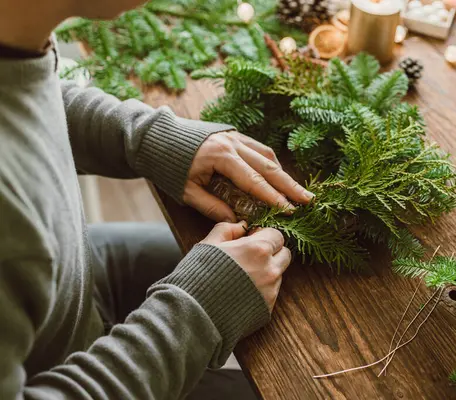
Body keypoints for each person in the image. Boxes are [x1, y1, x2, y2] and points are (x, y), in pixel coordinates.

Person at [0, 0, 314, 398]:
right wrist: (197, 314)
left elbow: (18, 88)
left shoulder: (16, 33)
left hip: (73, 284)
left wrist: (146, 137)